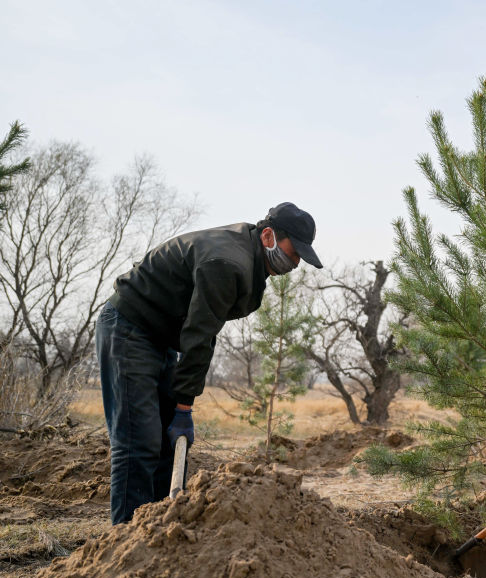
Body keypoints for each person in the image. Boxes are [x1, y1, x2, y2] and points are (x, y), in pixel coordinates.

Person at [96, 203, 322, 524]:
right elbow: (199, 336)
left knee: (166, 445)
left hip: (159, 337)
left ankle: (159, 533)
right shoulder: (227, 261)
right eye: (293, 251)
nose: (296, 262)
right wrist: (184, 406)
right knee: (139, 441)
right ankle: (123, 543)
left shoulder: (245, 256)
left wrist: (182, 402)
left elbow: (207, 326)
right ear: (269, 235)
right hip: (130, 327)